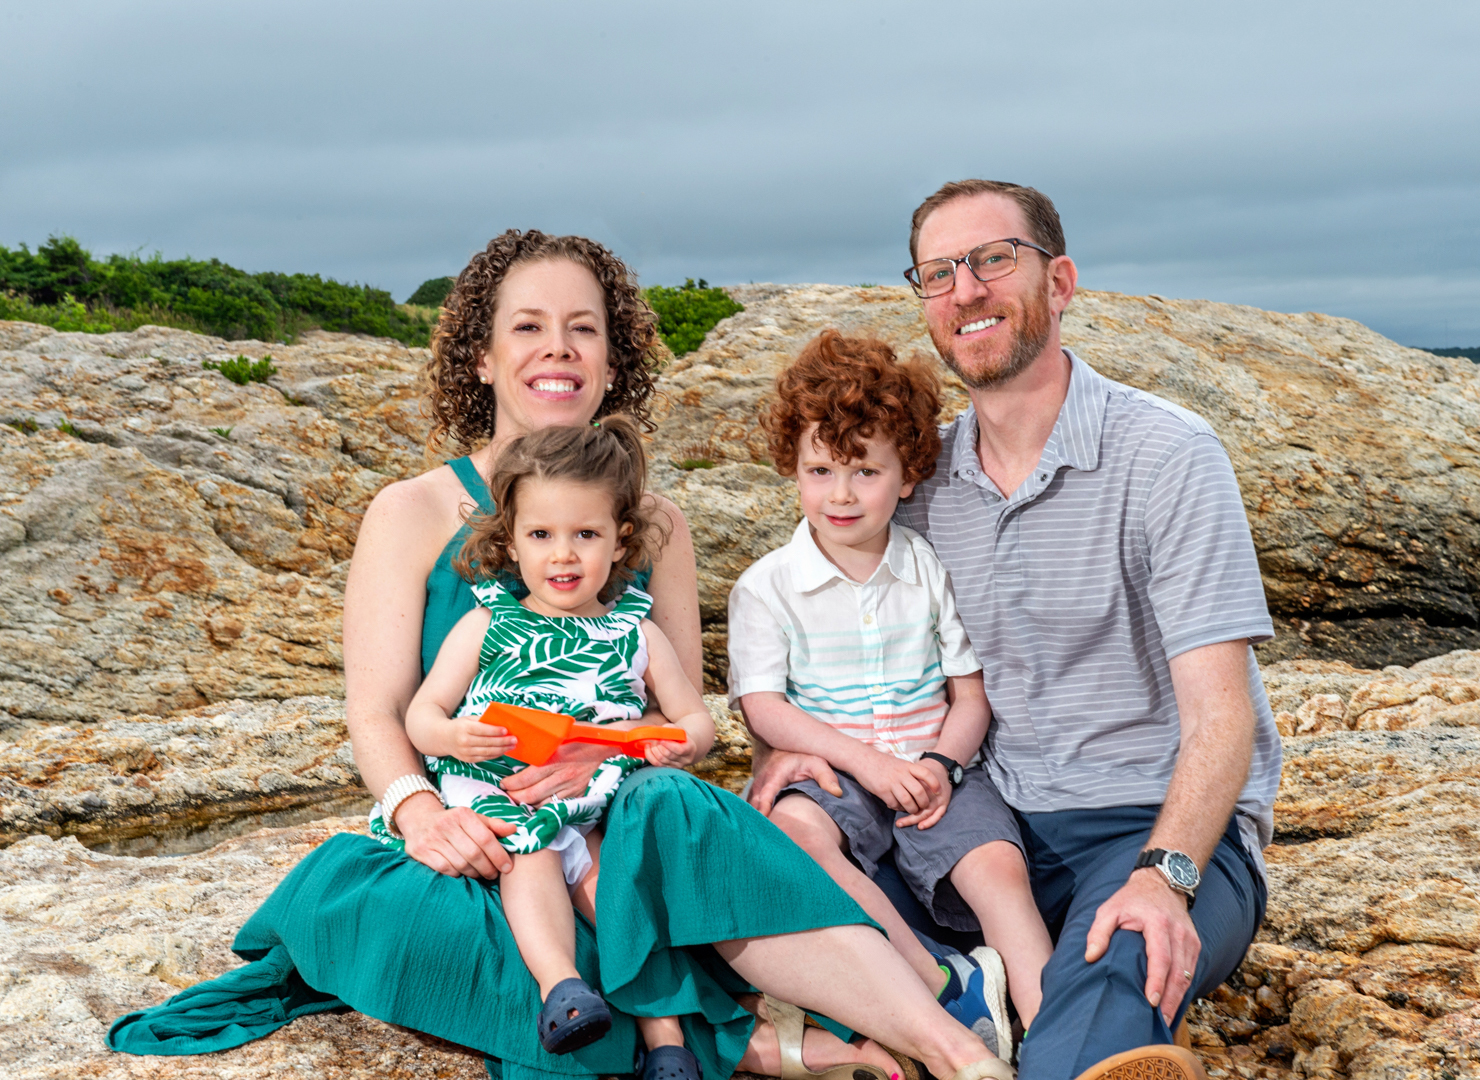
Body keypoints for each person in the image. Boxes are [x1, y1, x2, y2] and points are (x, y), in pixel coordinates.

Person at [338, 230, 1011, 1080]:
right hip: (479, 822)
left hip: (617, 811)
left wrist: (607, 754)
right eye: (528, 327)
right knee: (421, 928)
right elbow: (378, 712)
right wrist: (422, 818)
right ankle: (761, 1043)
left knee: (676, 822)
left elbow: (677, 713)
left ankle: (952, 1052)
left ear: (613, 361)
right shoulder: (410, 511)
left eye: (584, 329)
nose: (558, 348)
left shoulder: (657, 525)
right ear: (480, 357)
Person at [750, 183, 1280, 1080]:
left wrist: (1165, 875)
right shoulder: (912, 485)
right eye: (937, 273)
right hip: (975, 820)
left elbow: (1222, 718)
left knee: (1113, 964)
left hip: (1143, 823)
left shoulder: (1166, 455)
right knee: (763, 889)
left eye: (993, 259)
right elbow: (842, 635)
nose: (965, 290)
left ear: (1058, 281)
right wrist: (790, 750)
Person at [729, 330, 1053, 1063]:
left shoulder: (927, 568)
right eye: (819, 470)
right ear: (793, 469)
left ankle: (1056, 1031)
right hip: (831, 772)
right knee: (793, 836)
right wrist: (864, 764)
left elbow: (969, 697)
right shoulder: (767, 586)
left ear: (906, 476)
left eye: (865, 471)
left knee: (998, 869)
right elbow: (764, 708)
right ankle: (939, 980)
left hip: (933, 765)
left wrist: (941, 764)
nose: (840, 494)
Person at [395, 418, 715, 1064]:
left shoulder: (637, 633)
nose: (563, 555)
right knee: (531, 852)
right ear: (511, 543)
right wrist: (453, 735)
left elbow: (696, 721)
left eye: (585, 535)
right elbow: (421, 714)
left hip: (594, 799)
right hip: (504, 791)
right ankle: (561, 989)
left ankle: (667, 1043)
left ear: (621, 542)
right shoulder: (488, 623)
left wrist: (674, 743)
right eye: (541, 535)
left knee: (618, 893)